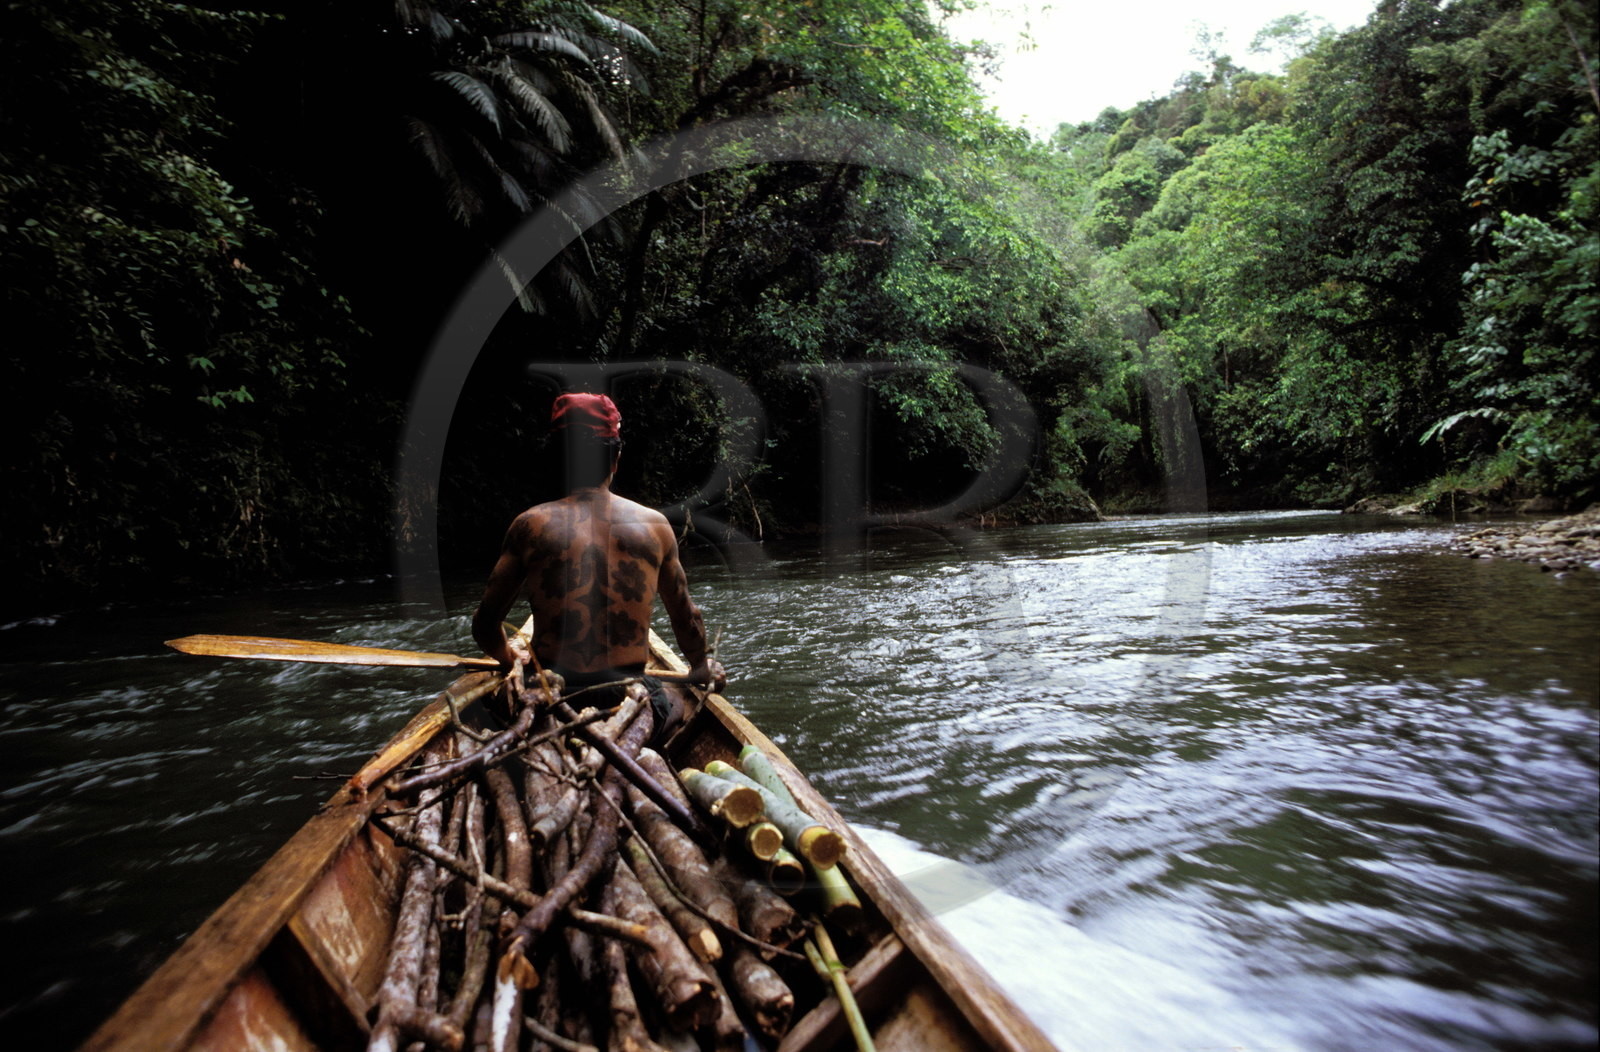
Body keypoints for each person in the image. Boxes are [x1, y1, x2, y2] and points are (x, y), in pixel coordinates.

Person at [471, 392, 726, 737]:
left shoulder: (529, 526)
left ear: (559, 459)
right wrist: (700, 665)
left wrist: (511, 658)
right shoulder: (654, 526)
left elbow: (486, 625)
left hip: (552, 696)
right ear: (616, 457)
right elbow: (686, 617)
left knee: (498, 710)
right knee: (675, 704)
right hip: (629, 697)